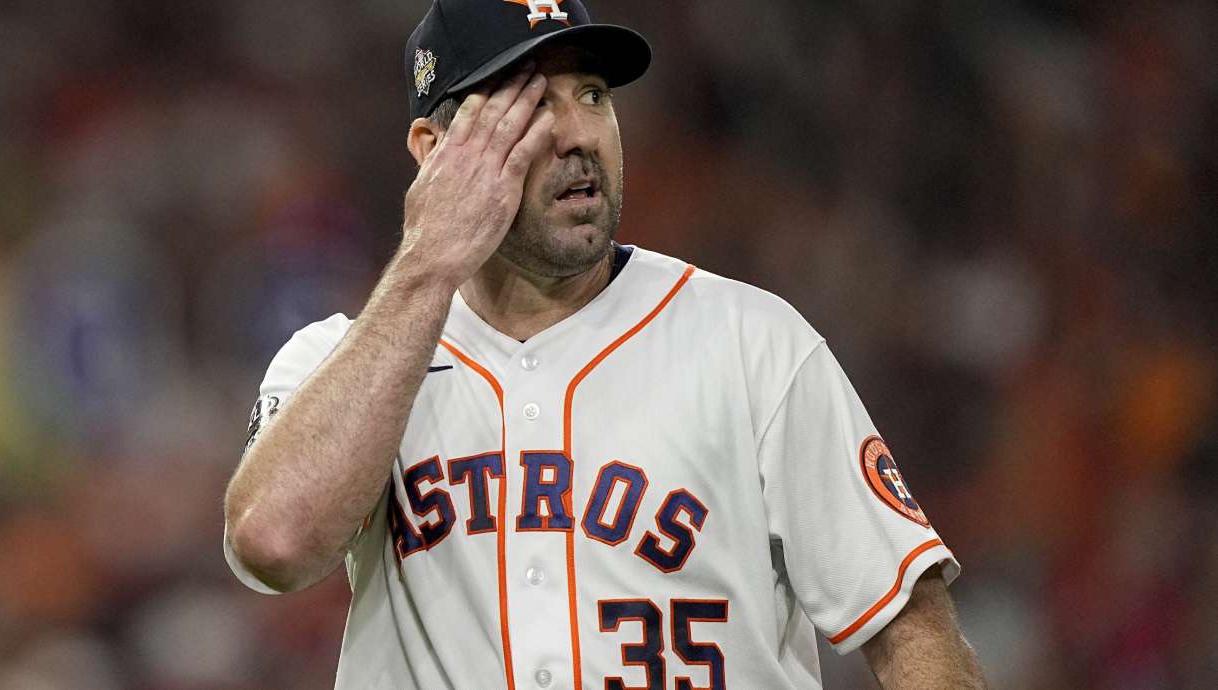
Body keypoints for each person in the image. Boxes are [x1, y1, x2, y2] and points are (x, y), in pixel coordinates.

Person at [224, 1, 988, 688]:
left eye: (591, 95)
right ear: (433, 147)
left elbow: (909, 626)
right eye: (525, 103)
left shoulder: (752, 344)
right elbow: (273, 543)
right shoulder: (342, 362)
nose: (576, 134)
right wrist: (427, 262)